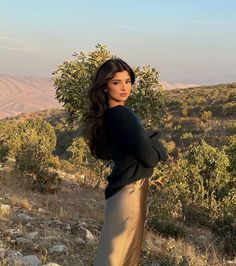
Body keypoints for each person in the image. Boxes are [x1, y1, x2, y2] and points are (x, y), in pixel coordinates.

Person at [81, 58, 168, 266]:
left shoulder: (108, 116)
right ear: (104, 86)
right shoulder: (122, 115)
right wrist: (156, 143)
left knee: (114, 253)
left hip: (121, 194)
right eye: (116, 82)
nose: (124, 88)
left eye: (127, 81)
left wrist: (147, 141)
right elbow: (149, 158)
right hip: (130, 192)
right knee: (120, 257)